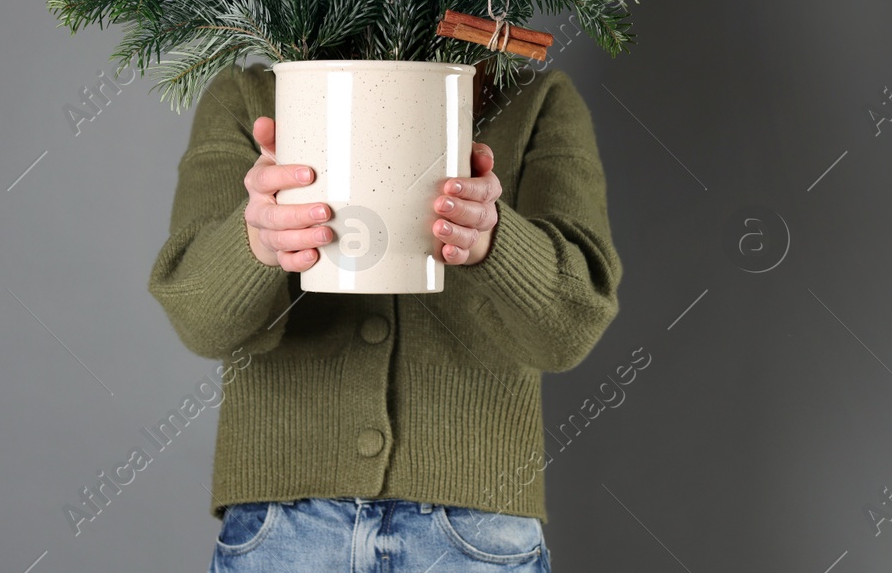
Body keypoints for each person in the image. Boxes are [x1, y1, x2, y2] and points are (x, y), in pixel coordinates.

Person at [148, 59, 622, 572]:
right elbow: (199, 319)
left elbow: (571, 329)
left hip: (477, 529)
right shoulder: (249, 95)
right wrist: (255, 241)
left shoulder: (534, 95)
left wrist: (494, 240)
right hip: (282, 528)